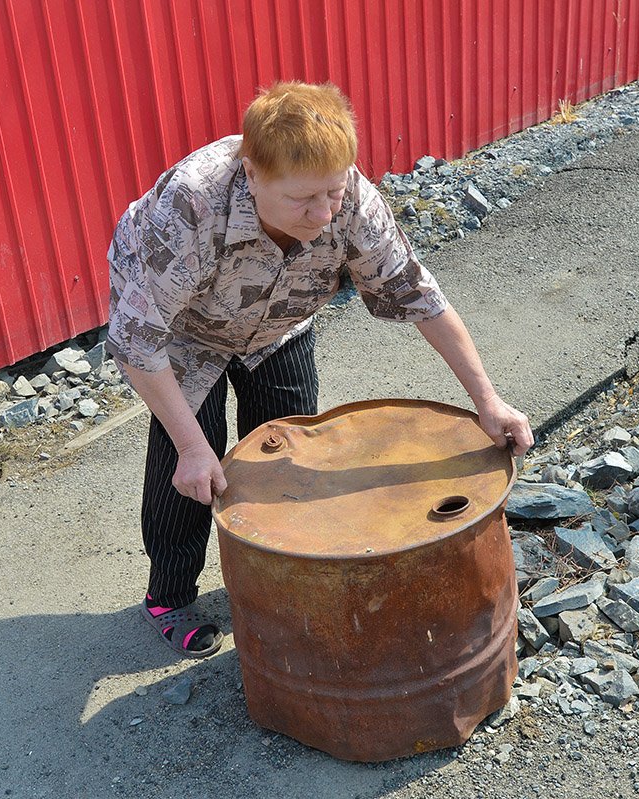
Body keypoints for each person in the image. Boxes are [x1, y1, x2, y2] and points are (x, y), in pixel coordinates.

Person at [106, 81, 533, 659]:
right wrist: (190, 445)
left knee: (292, 455)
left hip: (278, 322)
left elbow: (420, 296)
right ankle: (169, 596)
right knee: (193, 471)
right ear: (252, 173)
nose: (323, 213)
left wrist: (490, 401)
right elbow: (136, 340)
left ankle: (277, 584)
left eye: (332, 193)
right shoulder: (192, 206)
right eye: (304, 199)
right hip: (184, 331)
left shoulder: (349, 197)